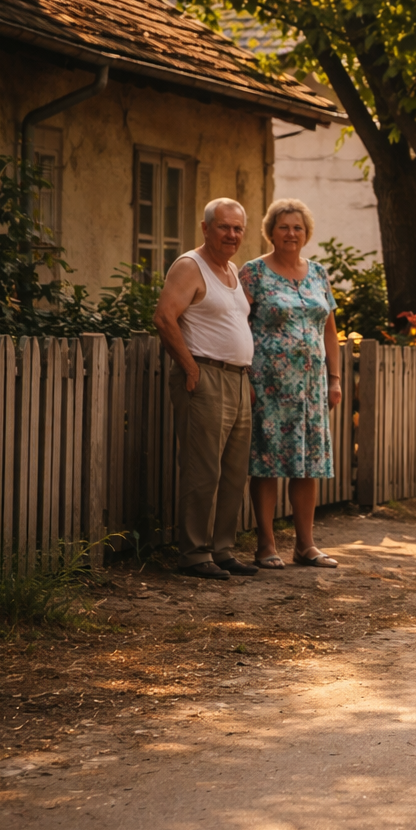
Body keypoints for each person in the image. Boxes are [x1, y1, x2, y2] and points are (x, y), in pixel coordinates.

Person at [153, 198, 258, 580]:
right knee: (203, 470)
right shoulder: (189, 266)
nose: (231, 235)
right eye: (224, 227)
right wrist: (190, 368)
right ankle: (195, 554)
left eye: (237, 229)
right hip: (205, 377)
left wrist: (242, 376)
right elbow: (164, 317)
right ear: (206, 228)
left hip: (237, 378)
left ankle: (222, 550)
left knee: (233, 471)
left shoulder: (231, 270)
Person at [239, 199, 342, 569]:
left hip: (311, 389)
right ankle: (266, 545)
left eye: (297, 227)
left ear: (306, 233)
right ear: (271, 231)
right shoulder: (253, 273)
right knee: (265, 463)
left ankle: (305, 546)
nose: (291, 233)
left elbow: (329, 330)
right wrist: (245, 376)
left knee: (308, 464)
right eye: (283, 226)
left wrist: (334, 378)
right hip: (267, 384)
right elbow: (238, 326)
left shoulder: (318, 274)